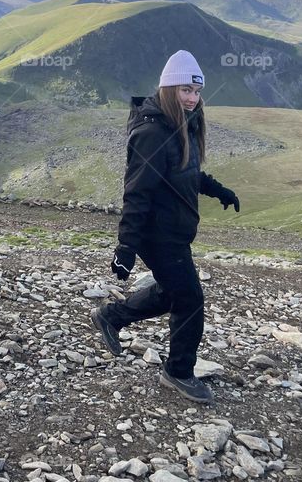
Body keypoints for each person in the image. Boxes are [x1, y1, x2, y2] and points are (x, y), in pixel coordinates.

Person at [91, 50, 240, 404]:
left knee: (174, 290)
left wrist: (218, 190)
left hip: (174, 231)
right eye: (185, 89)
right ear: (169, 87)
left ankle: (110, 316)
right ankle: (178, 372)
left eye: (197, 91)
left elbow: (185, 172)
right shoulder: (153, 133)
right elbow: (137, 193)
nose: (192, 98)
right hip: (158, 235)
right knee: (189, 299)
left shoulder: (180, 124)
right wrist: (125, 249)